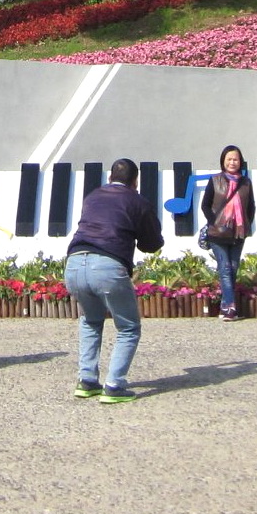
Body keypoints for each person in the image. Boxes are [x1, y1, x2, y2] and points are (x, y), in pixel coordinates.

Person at [64, 157, 164, 404]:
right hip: (107, 264)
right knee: (128, 327)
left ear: (110, 178)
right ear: (135, 181)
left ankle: (87, 381)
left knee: (90, 320)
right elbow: (152, 243)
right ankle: (114, 385)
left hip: (75, 262)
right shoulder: (137, 201)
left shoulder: (93, 196)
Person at [201, 144, 256, 321]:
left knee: (233, 268)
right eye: (229, 159)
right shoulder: (215, 180)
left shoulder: (246, 183)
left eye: (236, 159)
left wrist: (246, 224)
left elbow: (251, 207)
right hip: (218, 234)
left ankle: (225, 305)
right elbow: (205, 205)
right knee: (224, 268)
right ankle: (230, 307)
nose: (233, 162)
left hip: (238, 233)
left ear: (240, 162)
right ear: (223, 161)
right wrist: (214, 222)